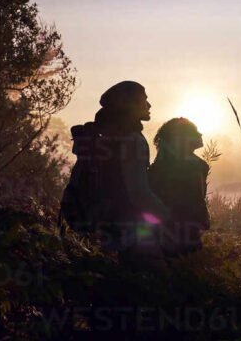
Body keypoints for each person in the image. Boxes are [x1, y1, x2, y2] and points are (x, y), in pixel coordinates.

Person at [61, 80, 169, 259]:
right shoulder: (133, 140)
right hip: (125, 233)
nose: (149, 105)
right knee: (158, 281)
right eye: (144, 100)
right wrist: (167, 216)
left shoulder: (101, 137)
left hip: (95, 228)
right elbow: (138, 193)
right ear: (130, 105)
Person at [148, 118, 210, 256]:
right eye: (194, 131)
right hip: (180, 232)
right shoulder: (190, 165)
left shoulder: (163, 165)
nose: (200, 134)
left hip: (172, 231)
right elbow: (192, 201)